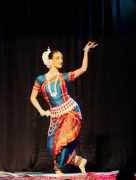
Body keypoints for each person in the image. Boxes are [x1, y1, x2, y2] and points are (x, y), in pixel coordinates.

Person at [30, 41, 98, 175]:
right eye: (57, 58)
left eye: (61, 58)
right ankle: (78, 161)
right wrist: (42, 111)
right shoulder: (40, 79)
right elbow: (32, 97)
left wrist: (85, 52)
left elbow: (83, 69)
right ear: (50, 61)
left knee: (60, 141)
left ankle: (57, 168)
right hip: (55, 116)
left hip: (70, 111)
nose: (61, 60)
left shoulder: (63, 77)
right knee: (51, 147)